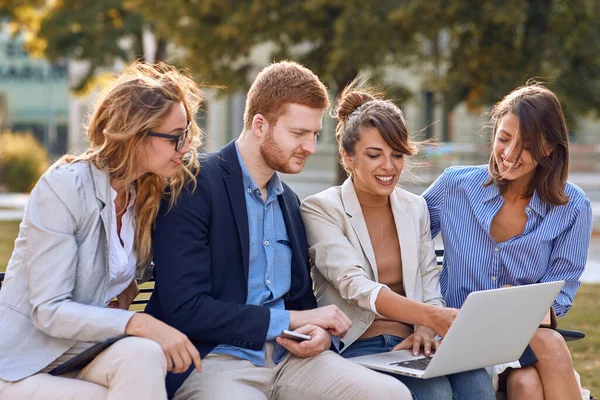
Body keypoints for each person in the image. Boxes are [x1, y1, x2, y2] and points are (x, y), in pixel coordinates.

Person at [145, 61, 413, 400]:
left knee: (391, 395)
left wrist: (320, 334)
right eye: (298, 134)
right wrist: (294, 320)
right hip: (215, 360)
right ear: (260, 125)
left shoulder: (289, 201)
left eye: (314, 134)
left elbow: (301, 301)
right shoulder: (193, 185)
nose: (310, 147)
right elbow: (187, 308)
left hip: (292, 360)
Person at [0, 61, 203, 400]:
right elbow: (48, 310)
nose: (184, 150)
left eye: (187, 135)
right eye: (175, 138)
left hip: (82, 353)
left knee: (146, 356)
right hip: (18, 364)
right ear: (136, 135)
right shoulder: (65, 187)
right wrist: (139, 323)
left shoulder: (144, 194)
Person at [300, 81, 496, 400]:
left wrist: (425, 328)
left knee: (476, 384)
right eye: (374, 155)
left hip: (413, 341)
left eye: (397, 154)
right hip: (358, 345)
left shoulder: (414, 206)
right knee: (435, 393)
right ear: (347, 156)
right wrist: (430, 316)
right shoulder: (321, 208)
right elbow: (355, 285)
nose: (389, 167)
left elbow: (429, 282)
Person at [423, 83, 593, 400]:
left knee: (526, 383)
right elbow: (406, 238)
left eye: (526, 145)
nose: (510, 153)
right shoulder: (454, 187)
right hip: (454, 331)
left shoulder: (573, 207)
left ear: (549, 149)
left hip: (520, 336)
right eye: (504, 138)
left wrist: (529, 307)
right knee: (548, 351)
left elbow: (561, 294)